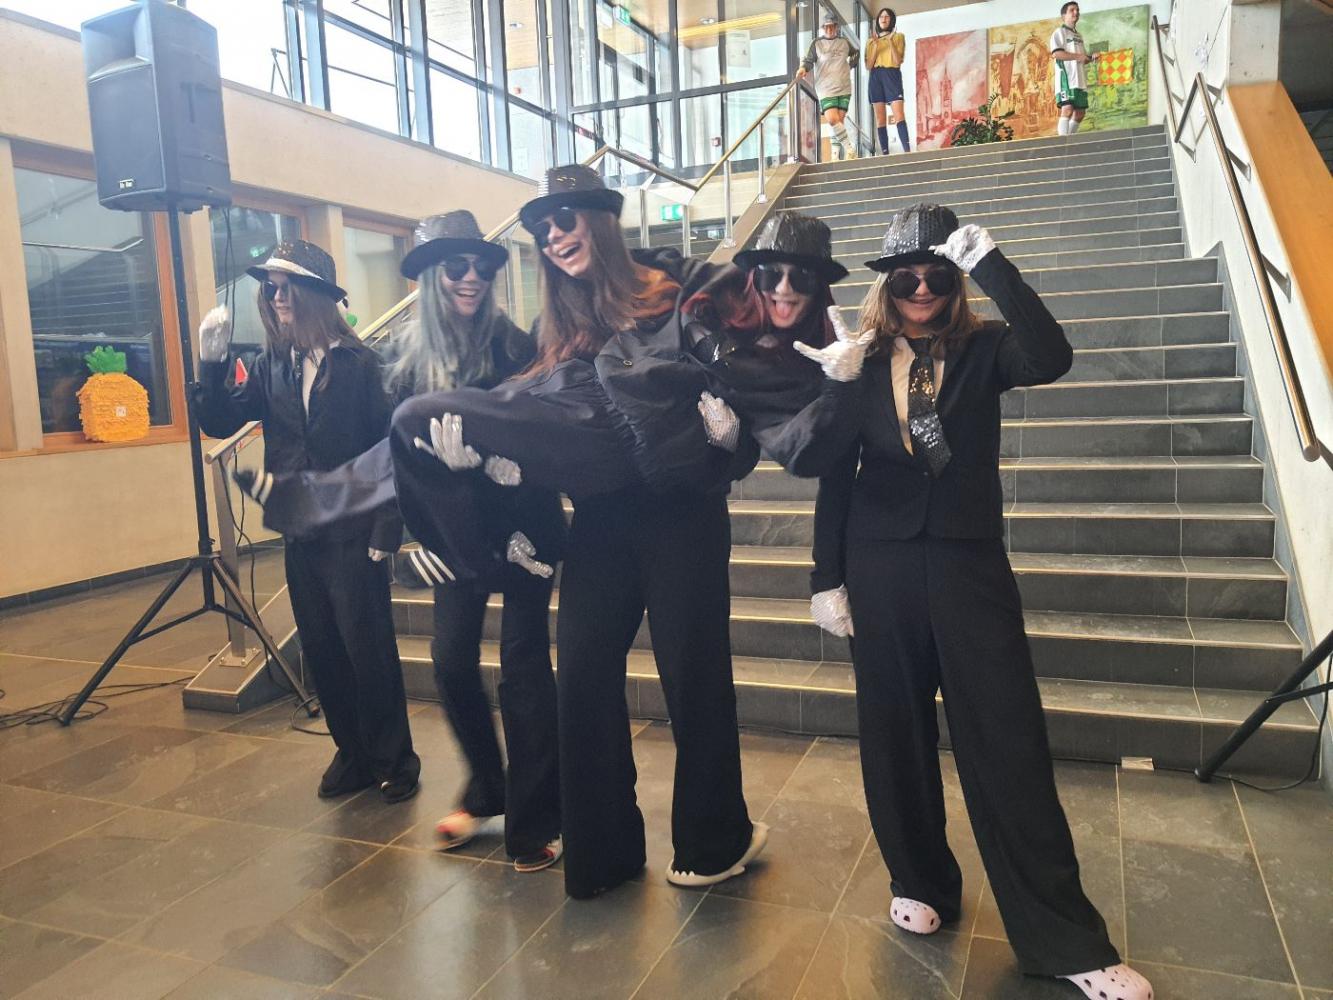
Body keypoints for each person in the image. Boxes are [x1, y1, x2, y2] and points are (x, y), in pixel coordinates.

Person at [808, 204, 1152, 1000]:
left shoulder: (986, 347)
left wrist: (994, 266)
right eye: (905, 276)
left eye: (936, 273)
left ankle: (1063, 939)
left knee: (1005, 739)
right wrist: (826, 576)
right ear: (886, 285)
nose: (921, 288)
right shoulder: (859, 359)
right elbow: (834, 474)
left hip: (966, 563)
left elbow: (1052, 356)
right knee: (892, 733)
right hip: (879, 564)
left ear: (953, 278)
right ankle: (919, 879)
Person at [194, 240, 421, 805]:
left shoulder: (362, 366)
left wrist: (386, 529)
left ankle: (394, 759)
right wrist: (211, 365)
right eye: (270, 289)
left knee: (368, 649)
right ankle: (353, 753)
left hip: (353, 531)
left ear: (315, 294)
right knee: (322, 648)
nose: (275, 299)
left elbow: (390, 451)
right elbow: (219, 420)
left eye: (285, 287)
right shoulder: (272, 365)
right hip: (301, 531)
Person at [387, 211, 563, 873]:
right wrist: (412, 532)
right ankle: (488, 789)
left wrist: (492, 465)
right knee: (451, 662)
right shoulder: (403, 360)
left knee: (523, 668)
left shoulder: (515, 347)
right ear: (431, 276)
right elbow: (396, 459)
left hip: (522, 528)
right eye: (457, 267)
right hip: (452, 536)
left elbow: (541, 439)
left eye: (483, 267)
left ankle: (534, 816)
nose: (472, 278)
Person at [798, 11, 861, 160]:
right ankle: (850, 149)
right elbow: (808, 60)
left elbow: (856, 54)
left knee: (838, 121)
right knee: (832, 119)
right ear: (822, 28)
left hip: (844, 87)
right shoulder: (817, 43)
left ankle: (834, 156)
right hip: (825, 88)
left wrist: (849, 66)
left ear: (837, 27)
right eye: (826, 26)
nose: (829, 29)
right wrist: (803, 69)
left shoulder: (844, 42)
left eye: (832, 26)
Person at [864, 7, 909, 154]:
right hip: (875, 76)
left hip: (892, 74)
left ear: (891, 20)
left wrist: (889, 42)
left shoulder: (898, 37)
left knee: (899, 115)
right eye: (881, 17)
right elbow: (868, 66)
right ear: (877, 20)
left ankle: (908, 151)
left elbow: (897, 61)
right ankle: (885, 154)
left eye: (887, 17)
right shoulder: (871, 41)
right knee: (880, 119)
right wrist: (876, 45)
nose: (883, 19)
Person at [1051, 1, 1094, 135]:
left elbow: (1081, 59)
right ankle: (1063, 143)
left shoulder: (1078, 36)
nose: (1076, 12)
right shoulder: (1059, 32)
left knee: (1080, 113)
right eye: (1072, 10)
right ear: (1064, 15)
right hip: (1067, 79)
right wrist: (1079, 56)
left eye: (1077, 10)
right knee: (1067, 109)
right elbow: (1056, 54)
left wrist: (1091, 57)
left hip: (1080, 80)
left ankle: (1068, 140)